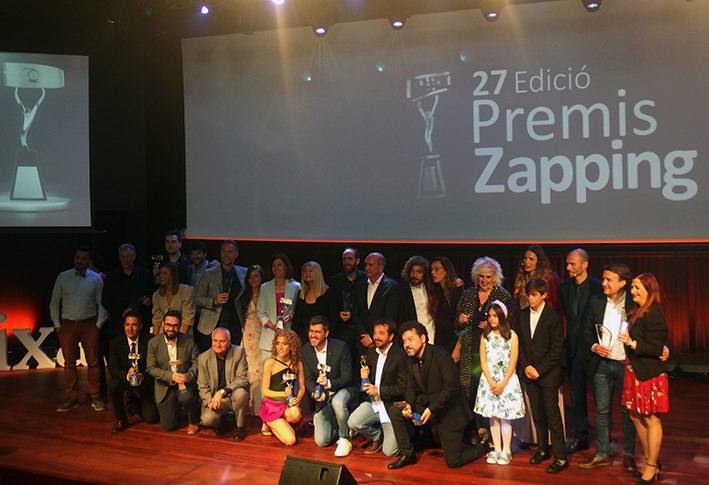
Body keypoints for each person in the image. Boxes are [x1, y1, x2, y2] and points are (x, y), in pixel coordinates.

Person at [388, 321, 487, 470]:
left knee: (453, 462)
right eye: (404, 341)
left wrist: (431, 409)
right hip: (429, 405)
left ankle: (482, 447)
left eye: (410, 339)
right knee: (396, 410)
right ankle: (407, 454)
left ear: (422, 338)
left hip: (449, 411)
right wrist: (409, 405)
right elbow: (410, 388)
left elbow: (451, 388)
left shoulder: (441, 356)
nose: (407, 344)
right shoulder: (410, 359)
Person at [579, 263, 637, 472]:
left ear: (622, 283)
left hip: (625, 364)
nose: (603, 283)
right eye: (603, 279)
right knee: (602, 411)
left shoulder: (633, 303)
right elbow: (585, 329)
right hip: (602, 364)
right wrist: (594, 346)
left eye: (609, 280)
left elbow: (649, 328)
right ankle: (602, 453)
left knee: (627, 411)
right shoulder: (596, 301)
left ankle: (629, 454)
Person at [455, 256, 516, 442]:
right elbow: (457, 325)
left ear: (495, 277)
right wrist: (461, 321)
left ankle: (489, 432)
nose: (484, 280)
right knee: (468, 390)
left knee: (487, 391)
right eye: (481, 276)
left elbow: (511, 323)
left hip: (492, 352)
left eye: (488, 277)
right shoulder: (468, 295)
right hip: (468, 349)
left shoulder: (503, 296)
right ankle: (471, 430)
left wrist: (491, 326)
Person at [618, 273, 669, 485]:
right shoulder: (637, 311)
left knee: (651, 418)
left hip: (649, 374)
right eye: (632, 287)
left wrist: (631, 343)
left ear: (649, 290)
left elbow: (656, 348)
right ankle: (651, 461)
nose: (633, 291)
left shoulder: (654, 314)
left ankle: (651, 464)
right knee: (634, 414)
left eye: (637, 287)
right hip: (634, 371)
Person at [517, 278, 568, 474]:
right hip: (529, 373)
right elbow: (519, 345)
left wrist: (539, 369)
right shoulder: (522, 316)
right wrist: (526, 366)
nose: (530, 298)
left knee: (552, 415)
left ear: (544, 295)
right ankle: (542, 449)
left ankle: (561, 457)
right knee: (537, 414)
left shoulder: (552, 317)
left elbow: (557, 348)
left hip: (547, 375)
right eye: (528, 295)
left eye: (534, 295)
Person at [50, 246, 108, 413]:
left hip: (89, 324)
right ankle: (72, 397)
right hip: (67, 325)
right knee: (69, 363)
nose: (79, 261)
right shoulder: (63, 277)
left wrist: (99, 324)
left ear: (89, 261)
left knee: (93, 362)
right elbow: (54, 301)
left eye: (83, 258)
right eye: (77, 257)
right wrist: (57, 325)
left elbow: (102, 302)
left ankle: (95, 396)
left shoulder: (95, 278)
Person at [557, 248, 603, 454]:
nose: (568, 267)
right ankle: (580, 437)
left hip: (594, 349)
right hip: (573, 350)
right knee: (576, 397)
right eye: (567, 263)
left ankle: (603, 441)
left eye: (572, 264)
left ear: (585, 265)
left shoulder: (598, 287)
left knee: (600, 398)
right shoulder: (563, 287)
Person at [474, 300, 525, 466]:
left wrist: (502, 383)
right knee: (493, 417)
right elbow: (483, 361)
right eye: (489, 316)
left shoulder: (512, 336)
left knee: (504, 417)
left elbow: (513, 362)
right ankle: (496, 448)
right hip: (489, 381)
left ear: (503, 316)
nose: (491, 319)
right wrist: (490, 381)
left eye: (495, 315)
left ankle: (506, 450)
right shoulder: (485, 337)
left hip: (506, 381)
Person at [347, 319, 407, 457]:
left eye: (381, 333)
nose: (376, 337)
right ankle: (377, 436)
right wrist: (364, 376)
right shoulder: (372, 352)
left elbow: (402, 388)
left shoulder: (401, 356)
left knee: (390, 452)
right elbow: (369, 379)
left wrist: (378, 390)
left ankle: (407, 430)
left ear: (391, 336)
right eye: (374, 333)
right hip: (374, 402)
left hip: (391, 405)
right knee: (353, 423)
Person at [301, 316, 355, 456]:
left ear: (326, 333)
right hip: (323, 396)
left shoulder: (340, 347)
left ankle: (345, 438)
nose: (313, 335)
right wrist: (315, 392)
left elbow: (347, 377)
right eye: (311, 331)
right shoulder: (305, 350)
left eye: (317, 332)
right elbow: (308, 379)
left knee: (338, 402)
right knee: (321, 441)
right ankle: (344, 423)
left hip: (342, 389)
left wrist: (329, 383)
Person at [146, 310, 200, 434]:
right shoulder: (153, 343)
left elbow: (197, 362)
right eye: (168, 325)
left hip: (184, 383)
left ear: (180, 325)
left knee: (187, 398)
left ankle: (193, 421)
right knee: (168, 426)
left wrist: (187, 376)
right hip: (165, 386)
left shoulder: (189, 340)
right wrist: (171, 376)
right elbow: (151, 368)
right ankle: (180, 411)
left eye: (175, 325)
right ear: (163, 324)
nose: (171, 329)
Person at [107, 311, 159, 433]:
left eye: (134, 325)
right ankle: (121, 419)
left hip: (145, 379)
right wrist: (127, 376)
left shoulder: (150, 341)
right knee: (113, 386)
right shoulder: (115, 343)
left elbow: (154, 366)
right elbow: (113, 368)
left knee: (151, 418)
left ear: (140, 326)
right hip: (124, 378)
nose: (130, 328)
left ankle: (131, 401)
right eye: (127, 325)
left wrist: (142, 376)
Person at [197, 327, 250, 442]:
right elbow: (202, 385)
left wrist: (222, 392)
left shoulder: (239, 352)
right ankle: (219, 423)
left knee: (241, 393)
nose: (218, 344)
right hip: (215, 400)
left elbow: (242, 379)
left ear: (229, 341)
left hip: (233, 395)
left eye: (222, 341)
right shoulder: (203, 358)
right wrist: (210, 402)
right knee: (207, 420)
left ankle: (240, 427)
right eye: (215, 340)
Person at [194, 240, 247, 351]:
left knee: (233, 358)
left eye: (230, 252)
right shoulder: (208, 274)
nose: (226, 255)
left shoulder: (244, 273)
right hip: (212, 325)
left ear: (236, 254)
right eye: (223, 251)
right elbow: (197, 298)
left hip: (235, 326)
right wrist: (214, 301)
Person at [259, 329, 306, 446]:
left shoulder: (297, 364)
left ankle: (280, 423)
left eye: (284, 344)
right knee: (291, 441)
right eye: (278, 343)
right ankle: (269, 422)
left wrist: (297, 400)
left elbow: (302, 388)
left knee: (295, 415)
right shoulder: (270, 363)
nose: (280, 347)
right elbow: (265, 391)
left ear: (291, 346)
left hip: (288, 403)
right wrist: (283, 394)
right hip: (272, 405)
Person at [352, 252, 399, 356]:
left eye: (370, 265)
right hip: (362, 341)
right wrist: (363, 334)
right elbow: (355, 313)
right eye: (366, 265)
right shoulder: (360, 285)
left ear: (380, 267)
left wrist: (371, 337)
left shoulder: (392, 286)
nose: (366, 268)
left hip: (381, 341)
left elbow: (390, 316)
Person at [257, 253, 301, 362]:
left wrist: (291, 316)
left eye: (279, 265)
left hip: (288, 333)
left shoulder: (296, 286)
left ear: (286, 267)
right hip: (269, 336)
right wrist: (273, 326)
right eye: (274, 266)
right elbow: (260, 311)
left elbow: (300, 309)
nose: (276, 268)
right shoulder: (265, 287)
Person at [239, 264, 266, 415]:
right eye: (250, 277)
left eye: (256, 276)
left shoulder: (266, 293)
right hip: (248, 336)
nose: (253, 279)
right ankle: (250, 406)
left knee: (262, 369)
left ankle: (262, 407)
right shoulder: (244, 295)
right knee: (250, 370)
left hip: (263, 334)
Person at [328, 248, 366, 348]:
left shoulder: (366, 279)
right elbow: (330, 305)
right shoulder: (335, 281)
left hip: (361, 330)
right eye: (344, 259)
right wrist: (338, 314)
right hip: (341, 331)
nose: (346, 262)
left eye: (350, 259)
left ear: (357, 261)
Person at [293, 261, 338, 344]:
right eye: (305, 271)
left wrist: (327, 337)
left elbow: (334, 319)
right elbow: (297, 319)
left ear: (317, 273)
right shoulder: (301, 294)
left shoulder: (328, 293)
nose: (307, 273)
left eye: (310, 271)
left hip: (322, 338)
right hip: (303, 338)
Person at [429, 256, 464, 359]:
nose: (433, 272)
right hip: (439, 340)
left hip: (453, 340)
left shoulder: (457, 290)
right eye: (431, 270)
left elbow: (463, 323)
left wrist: (458, 348)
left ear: (446, 270)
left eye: (437, 269)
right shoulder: (435, 290)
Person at [398, 256, 436, 342]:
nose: (415, 275)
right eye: (412, 271)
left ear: (424, 273)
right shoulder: (403, 293)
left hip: (432, 333)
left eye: (419, 272)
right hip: (415, 337)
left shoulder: (431, 289)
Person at [151, 263, 195, 335]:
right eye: (160, 273)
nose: (160, 276)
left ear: (172, 276)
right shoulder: (157, 295)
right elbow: (157, 319)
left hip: (183, 332)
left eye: (164, 273)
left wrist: (180, 338)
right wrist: (155, 338)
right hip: (164, 333)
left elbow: (188, 318)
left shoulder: (186, 291)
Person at [514, 244, 560, 311]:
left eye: (531, 259)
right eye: (525, 258)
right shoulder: (521, 279)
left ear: (538, 261)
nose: (527, 262)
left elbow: (555, 303)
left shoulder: (549, 279)